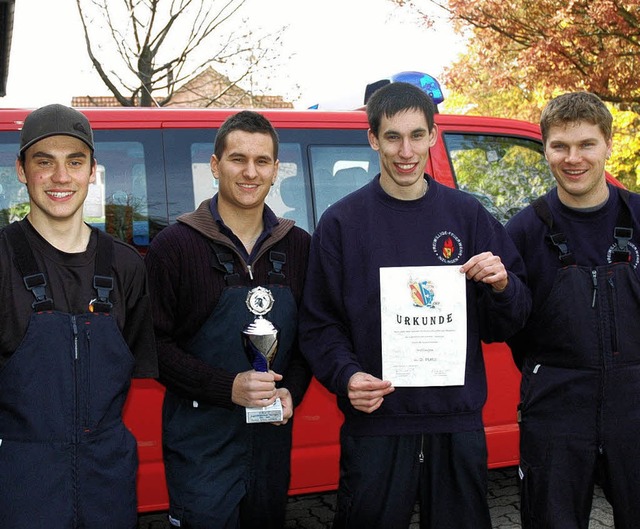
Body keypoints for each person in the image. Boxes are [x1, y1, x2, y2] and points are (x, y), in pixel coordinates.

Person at [298, 81, 531, 529]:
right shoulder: (342, 223)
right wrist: (346, 376)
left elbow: (509, 320)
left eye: (416, 135)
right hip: (378, 425)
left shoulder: (468, 215)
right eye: (392, 137)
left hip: (456, 424)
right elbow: (319, 324)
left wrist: (502, 286)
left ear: (432, 135)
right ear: (372, 139)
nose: (406, 150)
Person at [144, 110, 312, 528]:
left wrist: (291, 390)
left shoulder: (298, 246)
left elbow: (311, 340)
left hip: (270, 442)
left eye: (262, 161)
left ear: (276, 170)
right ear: (216, 166)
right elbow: (153, 347)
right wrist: (228, 387)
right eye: (238, 159)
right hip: (201, 444)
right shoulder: (176, 246)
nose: (250, 172)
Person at [0, 104, 158, 527]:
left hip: (108, 486)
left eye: (75, 161)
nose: (60, 177)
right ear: (20, 170)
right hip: (19, 488)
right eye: (43, 162)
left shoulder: (125, 266)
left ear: (92, 171)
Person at [505, 92, 640, 529]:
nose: (573, 158)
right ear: (544, 148)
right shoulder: (523, 231)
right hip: (555, 408)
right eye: (560, 146)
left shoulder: (639, 217)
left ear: (608, 145)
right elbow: (509, 327)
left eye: (586, 144)